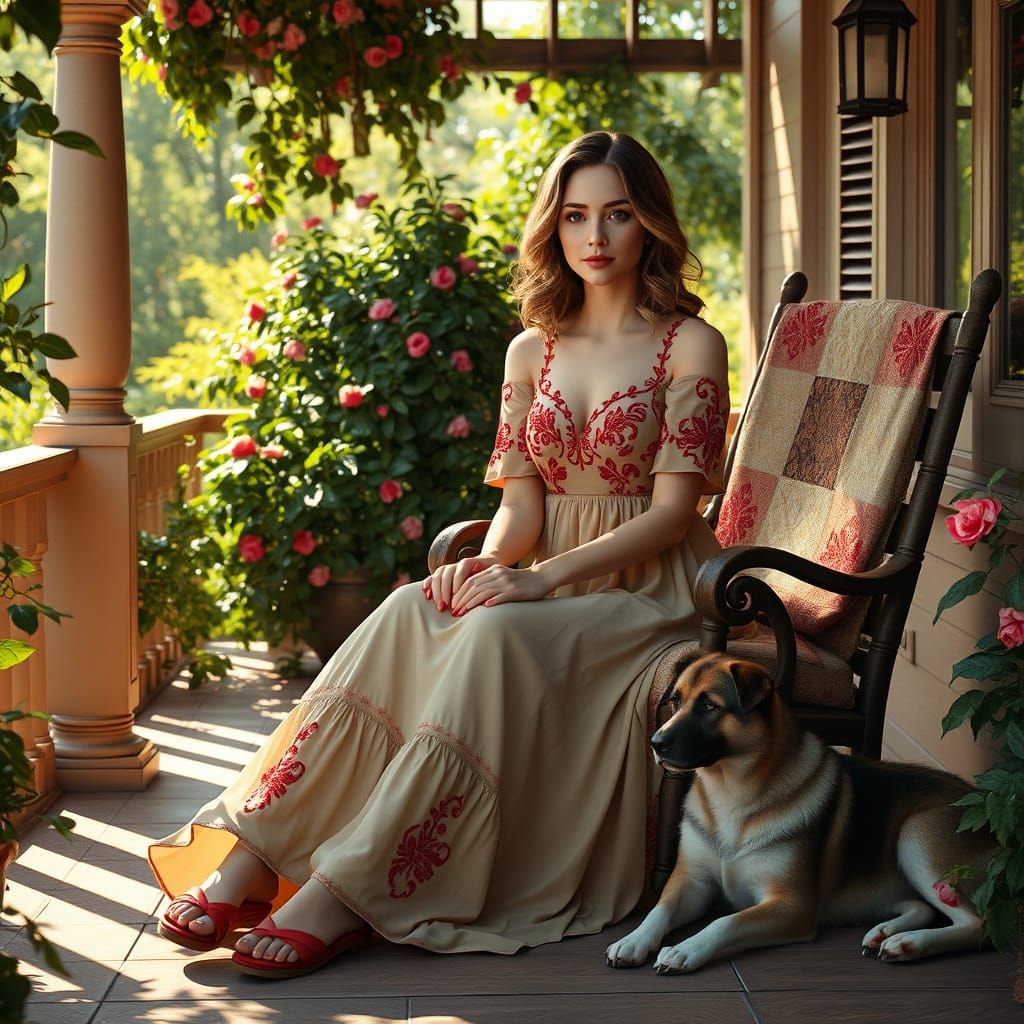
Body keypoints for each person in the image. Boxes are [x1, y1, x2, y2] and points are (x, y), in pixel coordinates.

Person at [151, 130, 730, 979]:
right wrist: (485, 565)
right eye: (575, 216)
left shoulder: (690, 344)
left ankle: (346, 893)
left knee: (496, 636)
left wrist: (538, 581)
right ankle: (254, 855)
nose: (596, 238)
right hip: (545, 571)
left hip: (650, 589)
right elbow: (522, 504)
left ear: (649, 225)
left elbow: (676, 513)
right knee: (407, 608)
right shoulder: (533, 349)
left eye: (617, 214)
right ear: (554, 228)